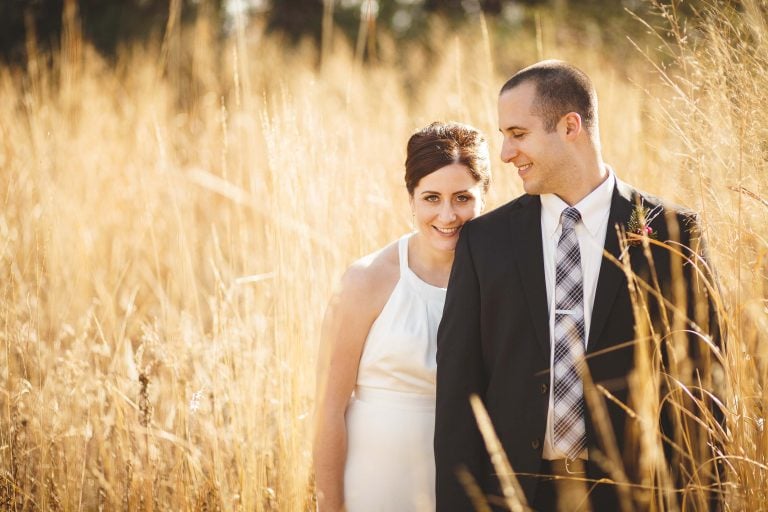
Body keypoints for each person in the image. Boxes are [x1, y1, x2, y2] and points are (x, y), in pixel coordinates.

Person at [434, 60, 721, 511]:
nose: (506, 153)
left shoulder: (666, 231)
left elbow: (703, 387)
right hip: (515, 496)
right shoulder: (484, 241)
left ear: (570, 126)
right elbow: (458, 396)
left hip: (635, 496)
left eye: (518, 134)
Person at [314, 121, 491, 511]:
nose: (447, 215)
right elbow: (329, 410)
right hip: (373, 485)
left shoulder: (498, 284)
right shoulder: (366, 280)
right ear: (410, 198)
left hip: (463, 490)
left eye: (462, 198)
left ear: (484, 198)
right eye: (431, 198)